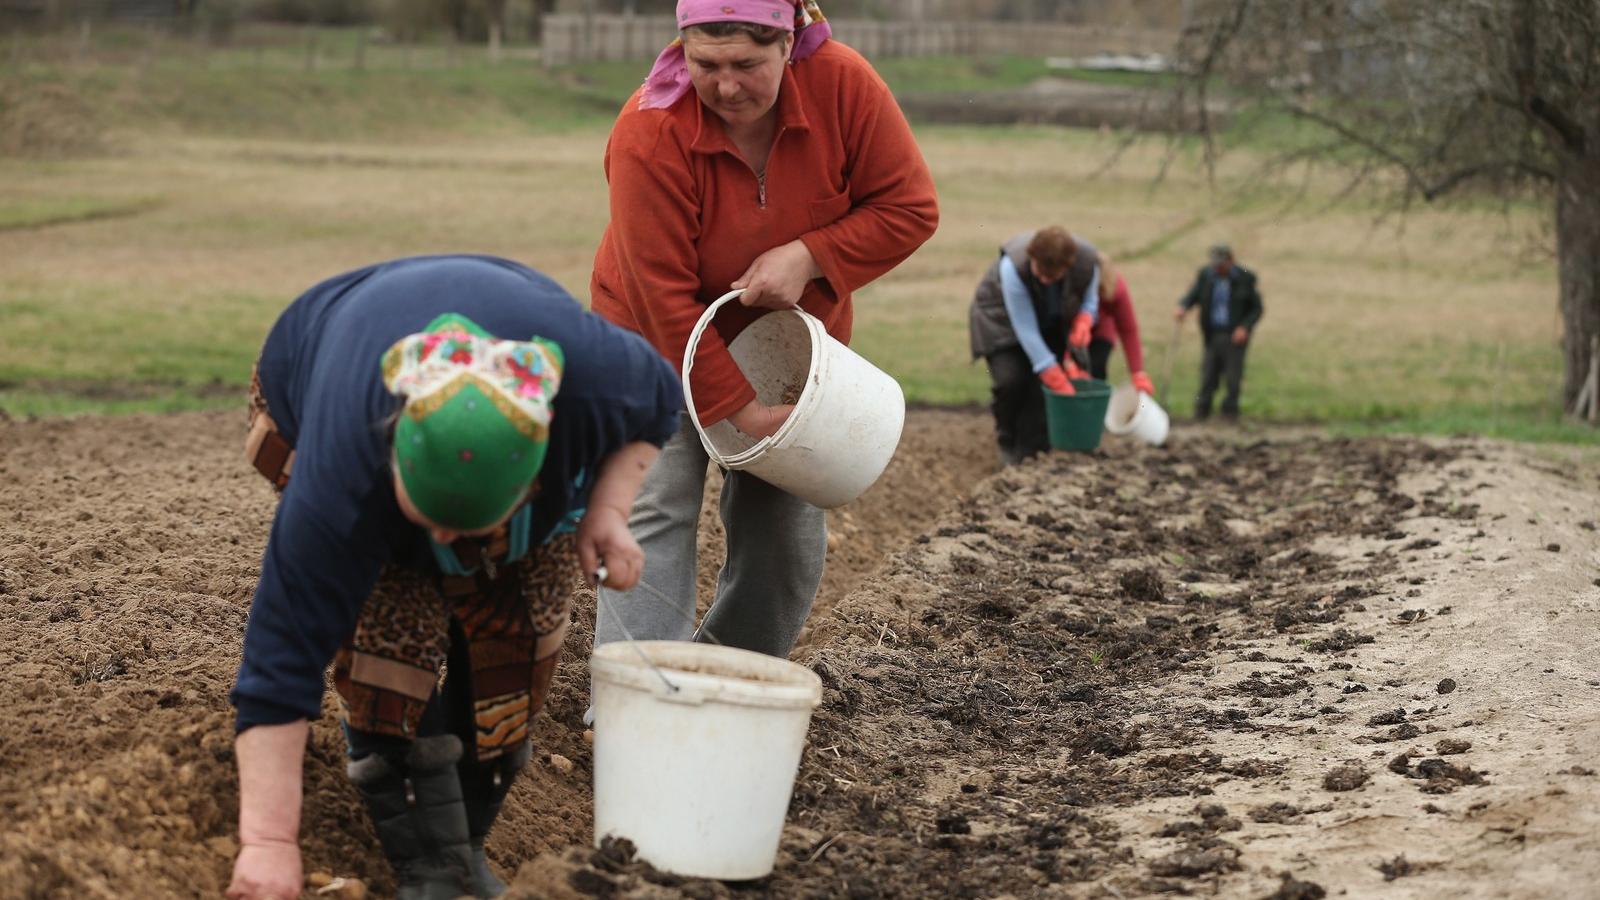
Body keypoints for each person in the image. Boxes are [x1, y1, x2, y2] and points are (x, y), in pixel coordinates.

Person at [226, 255, 682, 900]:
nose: (446, 542)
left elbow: (660, 405)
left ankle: (463, 845)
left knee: (523, 628)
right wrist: (267, 844)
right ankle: (420, 856)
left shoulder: (600, 381)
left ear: (536, 473)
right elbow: (279, 670)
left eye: (468, 527)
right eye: (430, 517)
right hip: (316, 358)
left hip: (531, 431)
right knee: (389, 631)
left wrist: (607, 511)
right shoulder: (342, 474)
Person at [588, 0, 938, 662]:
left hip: (785, 344)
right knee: (656, 500)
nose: (725, 86)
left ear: (788, 43)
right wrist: (739, 408)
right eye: (705, 64)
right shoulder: (649, 130)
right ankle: (635, 693)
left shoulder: (845, 87)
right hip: (647, 329)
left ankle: (727, 677)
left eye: (747, 64)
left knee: (783, 530)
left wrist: (808, 254)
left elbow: (909, 207)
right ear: (681, 48)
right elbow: (660, 295)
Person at [967, 226, 1104, 465]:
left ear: (1067, 267)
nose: (1043, 280)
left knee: (1040, 391)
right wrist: (1051, 371)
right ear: (1033, 258)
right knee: (1011, 380)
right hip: (1000, 321)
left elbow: (1090, 300)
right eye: (1040, 272)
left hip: (1048, 320)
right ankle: (1007, 437)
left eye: (1052, 277)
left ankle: (1031, 450)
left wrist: (1084, 320)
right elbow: (1025, 327)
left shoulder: (1088, 262)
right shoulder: (1013, 266)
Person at [1174, 244, 1263, 420]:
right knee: (1207, 375)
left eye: (1221, 264)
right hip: (1212, 334)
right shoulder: (1206, 275)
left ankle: (1229, 414)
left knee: (1232, 378)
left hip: (1235, 336)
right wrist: (1183, 306)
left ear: (1230, 261)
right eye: (1215, 264)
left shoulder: (1245, 277)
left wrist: (1245, 327)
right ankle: (1201, 411)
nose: (1217, 268)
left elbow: (1257, 308)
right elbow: (1194, 294)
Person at [1085, 253, 1156, 396]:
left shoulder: (1117, 289)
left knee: (1095, 370)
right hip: (1076, 329)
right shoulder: (1077, 282)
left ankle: (1095, 407)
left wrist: (1137, 373)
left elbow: (1129, 330)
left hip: (1102, 330)